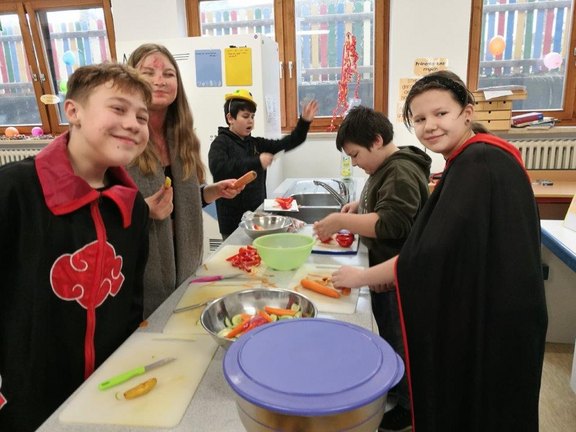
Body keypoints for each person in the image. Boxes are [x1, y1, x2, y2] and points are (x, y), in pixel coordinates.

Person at [332, 70, 548, 432]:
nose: (429, 125)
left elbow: (428, 255)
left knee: (483, 409)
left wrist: (363, 277)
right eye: (419, 119)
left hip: (494, 321)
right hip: (495, 309)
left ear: (466, 111)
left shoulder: (478, 163)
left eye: (440, 114)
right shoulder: (473, 157)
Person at [0, 63, 152, 431]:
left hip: (106, 392)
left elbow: (131, 302)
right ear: (73, 112)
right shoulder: (14, 190)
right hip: (25, 399)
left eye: (142, 116)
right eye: (118, 108)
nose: (133, 123)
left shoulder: (133, 207)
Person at [313, 105, 430, 432]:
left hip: (397, 279)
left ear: (377, 141)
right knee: (391, 337)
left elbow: (393, 223)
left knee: (400, 341)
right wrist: (357, 207)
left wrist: (341, 219)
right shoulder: (386, 167)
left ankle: (408, 410)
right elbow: (381, 206)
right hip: (384, 273)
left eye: (355, 154)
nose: (354, 163)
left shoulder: (400, 171)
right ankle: (397, 387)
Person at [126, 44, 242, 317]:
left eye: (168, 73)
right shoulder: (122, 139)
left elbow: (178, 199)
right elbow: (100, 211)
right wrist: (143, 210)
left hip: (185, 265)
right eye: (148, 72)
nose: (159, 80)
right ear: (131, 80)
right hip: (141, 279)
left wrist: (210, 192)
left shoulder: (182, 138)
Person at [208, 89, 318, 238]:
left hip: (258, 216)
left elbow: (288, 142)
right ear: (230, 118)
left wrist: (304, 122)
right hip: (231, 222)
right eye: (245, 116)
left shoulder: (256, 143)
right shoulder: (220, 143)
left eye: (252, 116)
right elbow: (219, 169)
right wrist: (256, 161)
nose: (250, 121)